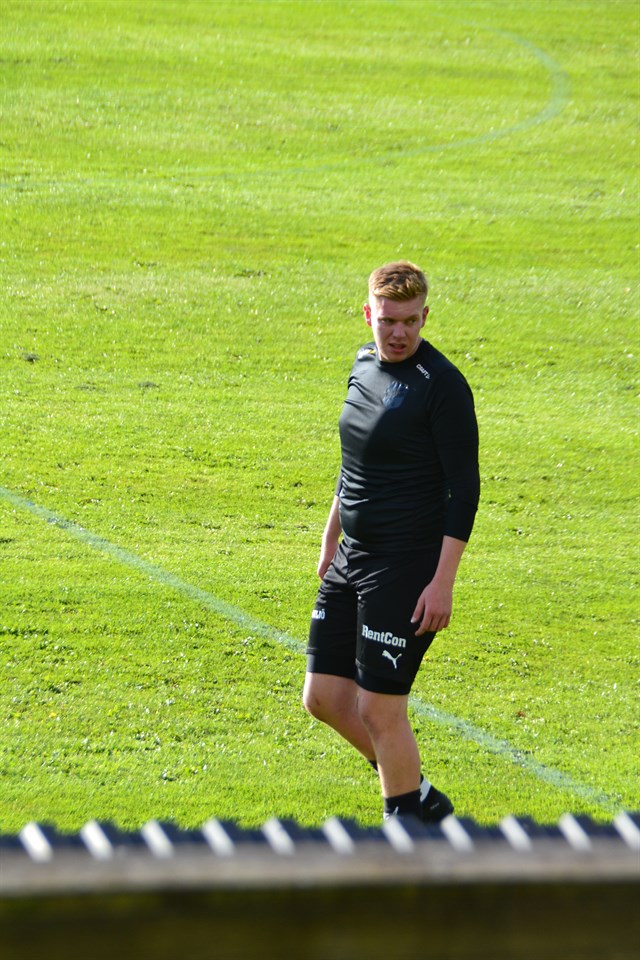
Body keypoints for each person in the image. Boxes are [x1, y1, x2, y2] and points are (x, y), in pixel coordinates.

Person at [303, 260, 480, 823]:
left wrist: (442, 582)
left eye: (409, 321)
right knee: (324, 698)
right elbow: (354, 460)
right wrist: (331, 535)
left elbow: (465, 490)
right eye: (387, 321)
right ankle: (419, 797)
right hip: (352, 555)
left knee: (380, 710)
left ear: (424, 316)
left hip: (405, 567)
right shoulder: (362, 364)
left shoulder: (443, 386)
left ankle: (405, 827)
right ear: (368, 315)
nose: (398, 333)